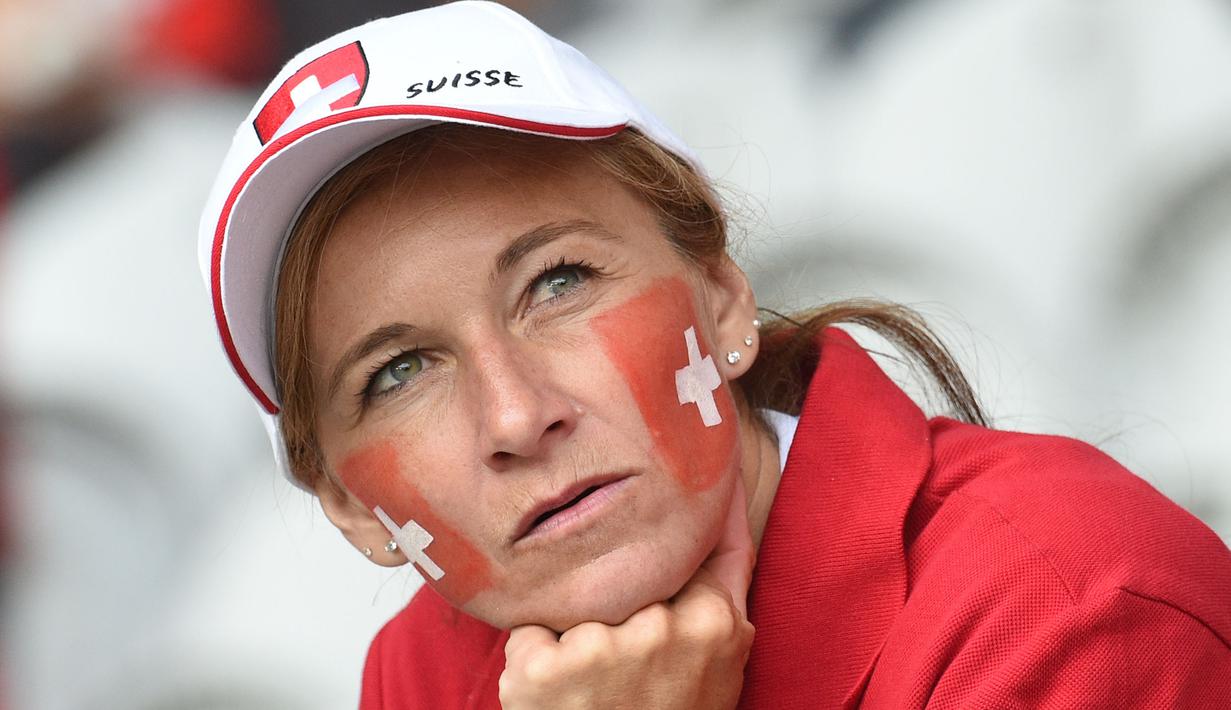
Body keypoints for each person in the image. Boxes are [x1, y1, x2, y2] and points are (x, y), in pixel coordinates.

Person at [199, 2, 1231, 707]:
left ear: (725, 292)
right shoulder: (430, 667)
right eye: (398, 372)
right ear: (349, 508)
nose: (517, 416)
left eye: (556, 283)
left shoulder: (1069, 609)